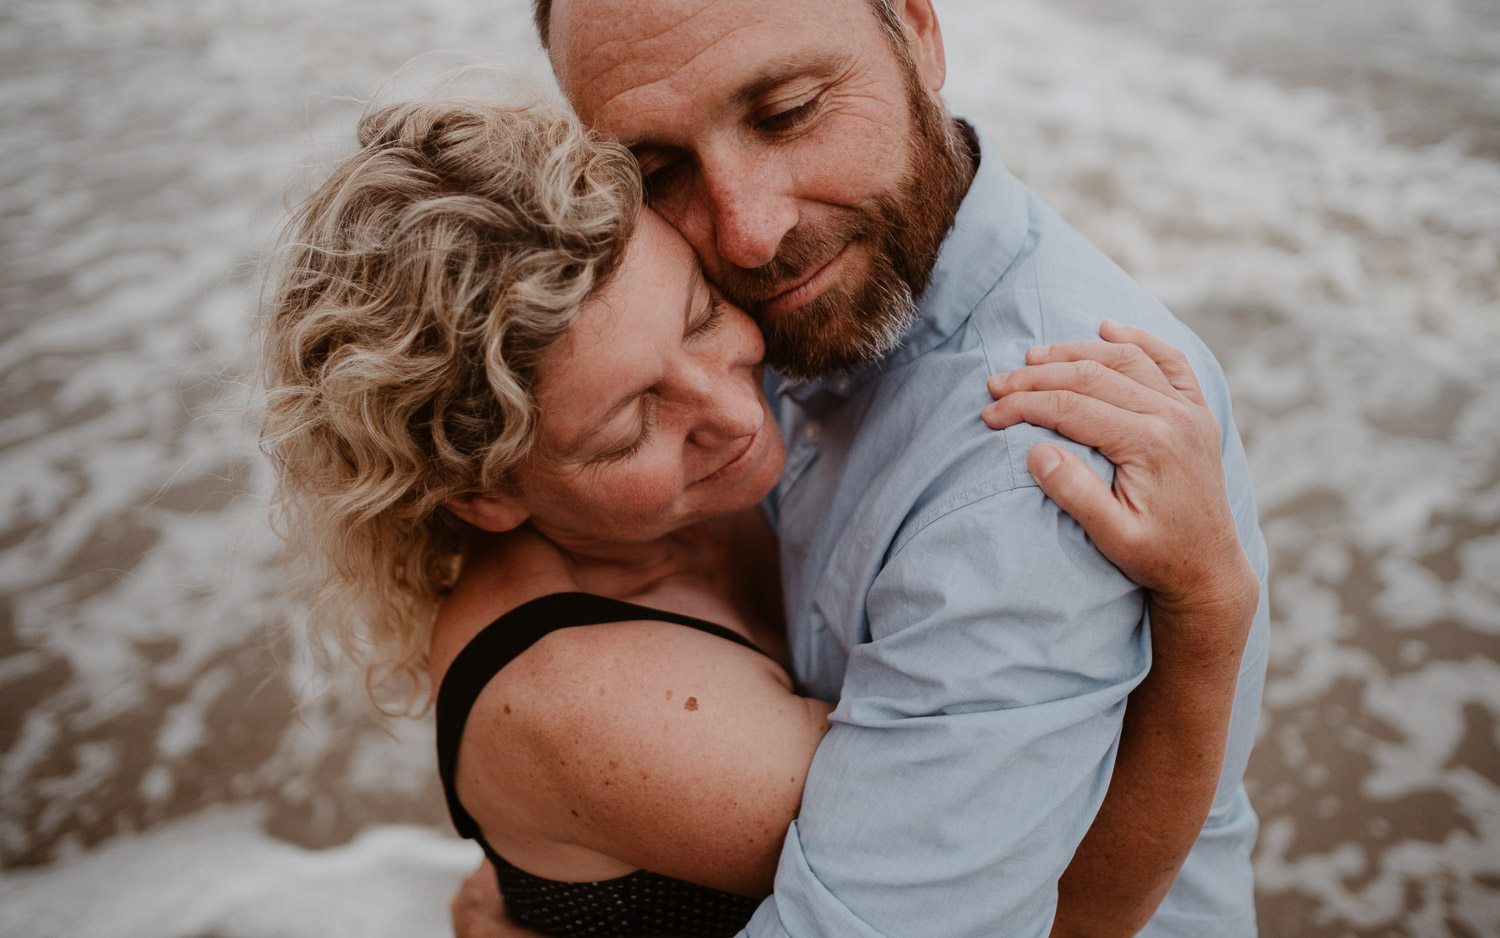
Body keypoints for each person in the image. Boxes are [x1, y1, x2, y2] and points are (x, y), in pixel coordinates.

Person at [260, 89, 1258, 938]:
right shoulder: (600, 701)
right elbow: (1061, 904)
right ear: (483, 494)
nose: (737, 411)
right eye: (630, 422)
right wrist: (1210, 613)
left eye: (699, 313)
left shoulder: (663, 487)